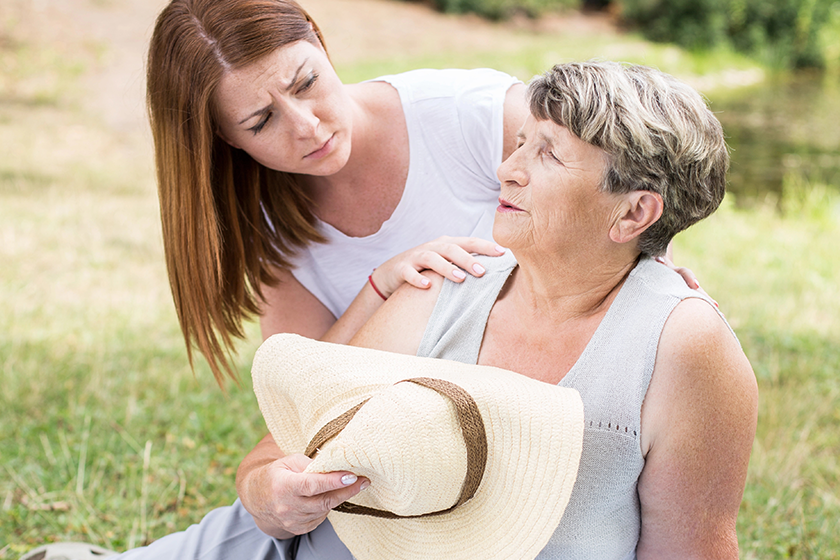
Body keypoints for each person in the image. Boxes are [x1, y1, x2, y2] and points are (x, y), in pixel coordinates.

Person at [345, 61, 759, 558]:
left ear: (633, 213)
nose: (506, 170)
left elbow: (689, 548)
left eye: (548, 155)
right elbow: (306, 437)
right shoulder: (444, 285)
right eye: (520, 142)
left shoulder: (684, 346)